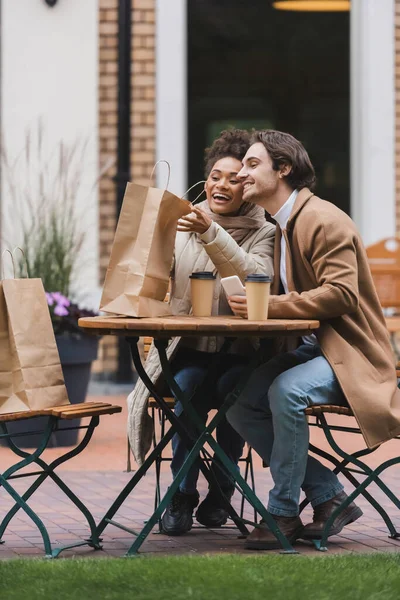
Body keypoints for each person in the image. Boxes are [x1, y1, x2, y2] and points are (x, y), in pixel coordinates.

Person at [226, 129, 400, 550]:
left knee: (286, 390)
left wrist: (265, 305)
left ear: (283, 169)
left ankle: (283, 513)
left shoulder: (322, 219)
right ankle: (329, 497)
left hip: (353, 352)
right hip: (318, 348)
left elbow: (340, 294)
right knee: (240, 404)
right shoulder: (282, 224)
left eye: (253, 165)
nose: (241, 175)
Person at [127, 129, 275, 536]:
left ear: (248, 186)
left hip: (242, 351)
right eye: (214, 176)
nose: (220, 185)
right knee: (187, 391)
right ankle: (182, 493)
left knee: (235, 393)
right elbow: (152, 278)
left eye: (232, 178)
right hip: (186, 350)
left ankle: (224, 490)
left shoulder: (266, 231)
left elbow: (257, 275)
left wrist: (211, 231)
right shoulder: (179, 223)